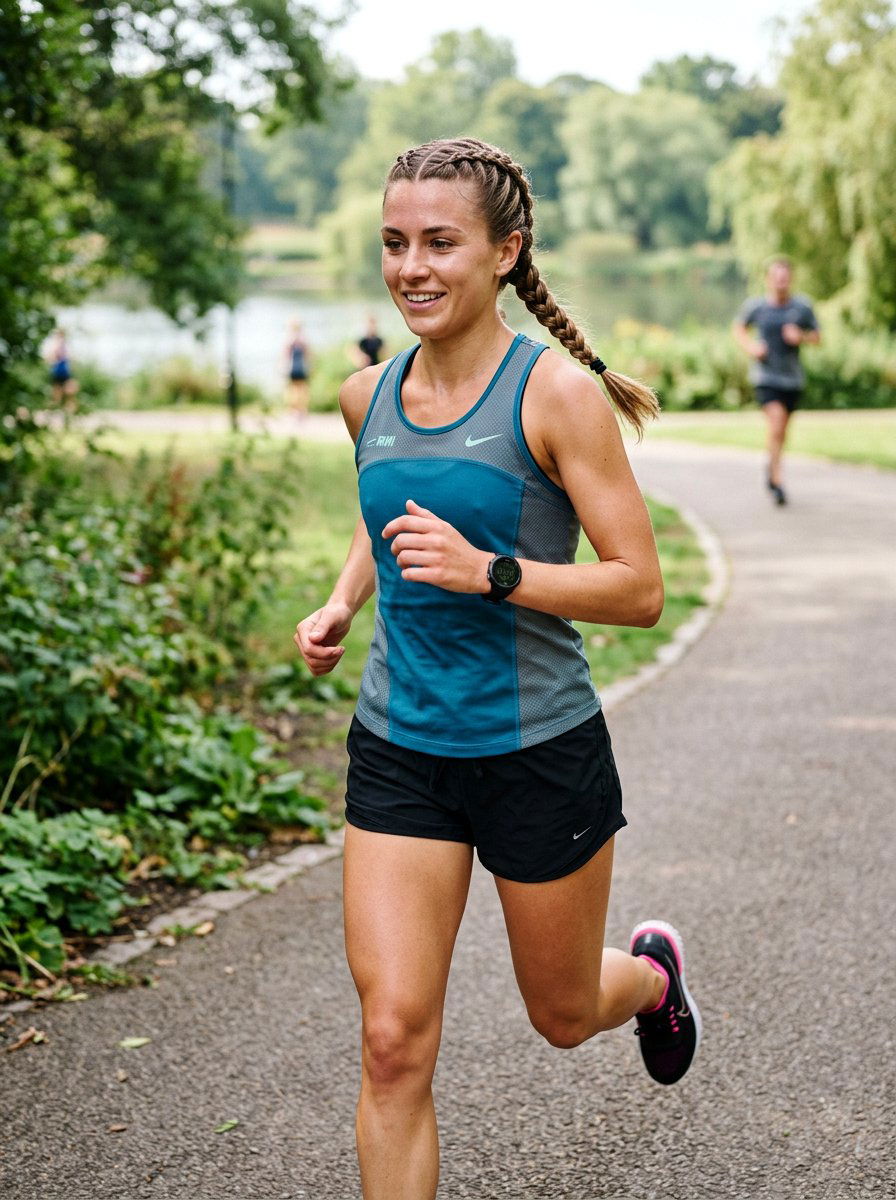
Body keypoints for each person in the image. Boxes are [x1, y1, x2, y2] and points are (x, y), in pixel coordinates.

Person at [294, 137, 702, 1200]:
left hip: (535, 751)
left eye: (439, 242)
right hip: (400, 750)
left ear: (504, 251)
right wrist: (345, 597)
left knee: (562, 1016)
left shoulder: (554, 396)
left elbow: (637, 588)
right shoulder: (363, 396)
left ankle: (651, 979)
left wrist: (493, 573)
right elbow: (383, 506)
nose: (411, 268)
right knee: (391, 1040)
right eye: (393, 243)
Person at [733, 256, 820, 505]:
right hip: (766, 377)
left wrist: (800, 336)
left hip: (792, 379)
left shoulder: (802, 307)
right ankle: (777, 480)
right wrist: (751, 347)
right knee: (777, 423)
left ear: (790, 279)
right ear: (768, 279)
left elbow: (817, 336)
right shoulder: (757, 307)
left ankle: (771, 465)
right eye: (776, 277)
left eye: (785, 277)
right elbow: (739, 328)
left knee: (781, 432)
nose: (781, 282)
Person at [283, 319, 311, 418]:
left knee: (293, 390)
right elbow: (308, 355)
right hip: (301, 368)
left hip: (293, 368)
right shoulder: (303, 340)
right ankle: (300, 410)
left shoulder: (289, 340)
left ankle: (294, 410)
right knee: (302, 389)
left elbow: (285, 355)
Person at [45, 327, 78, 410]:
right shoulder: (65, 344)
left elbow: (50, 357)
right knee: (66, 393)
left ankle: (59, 409)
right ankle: (66, 410)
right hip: (62, 369)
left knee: (59, 392)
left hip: (60, 369)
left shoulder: (58, 344)